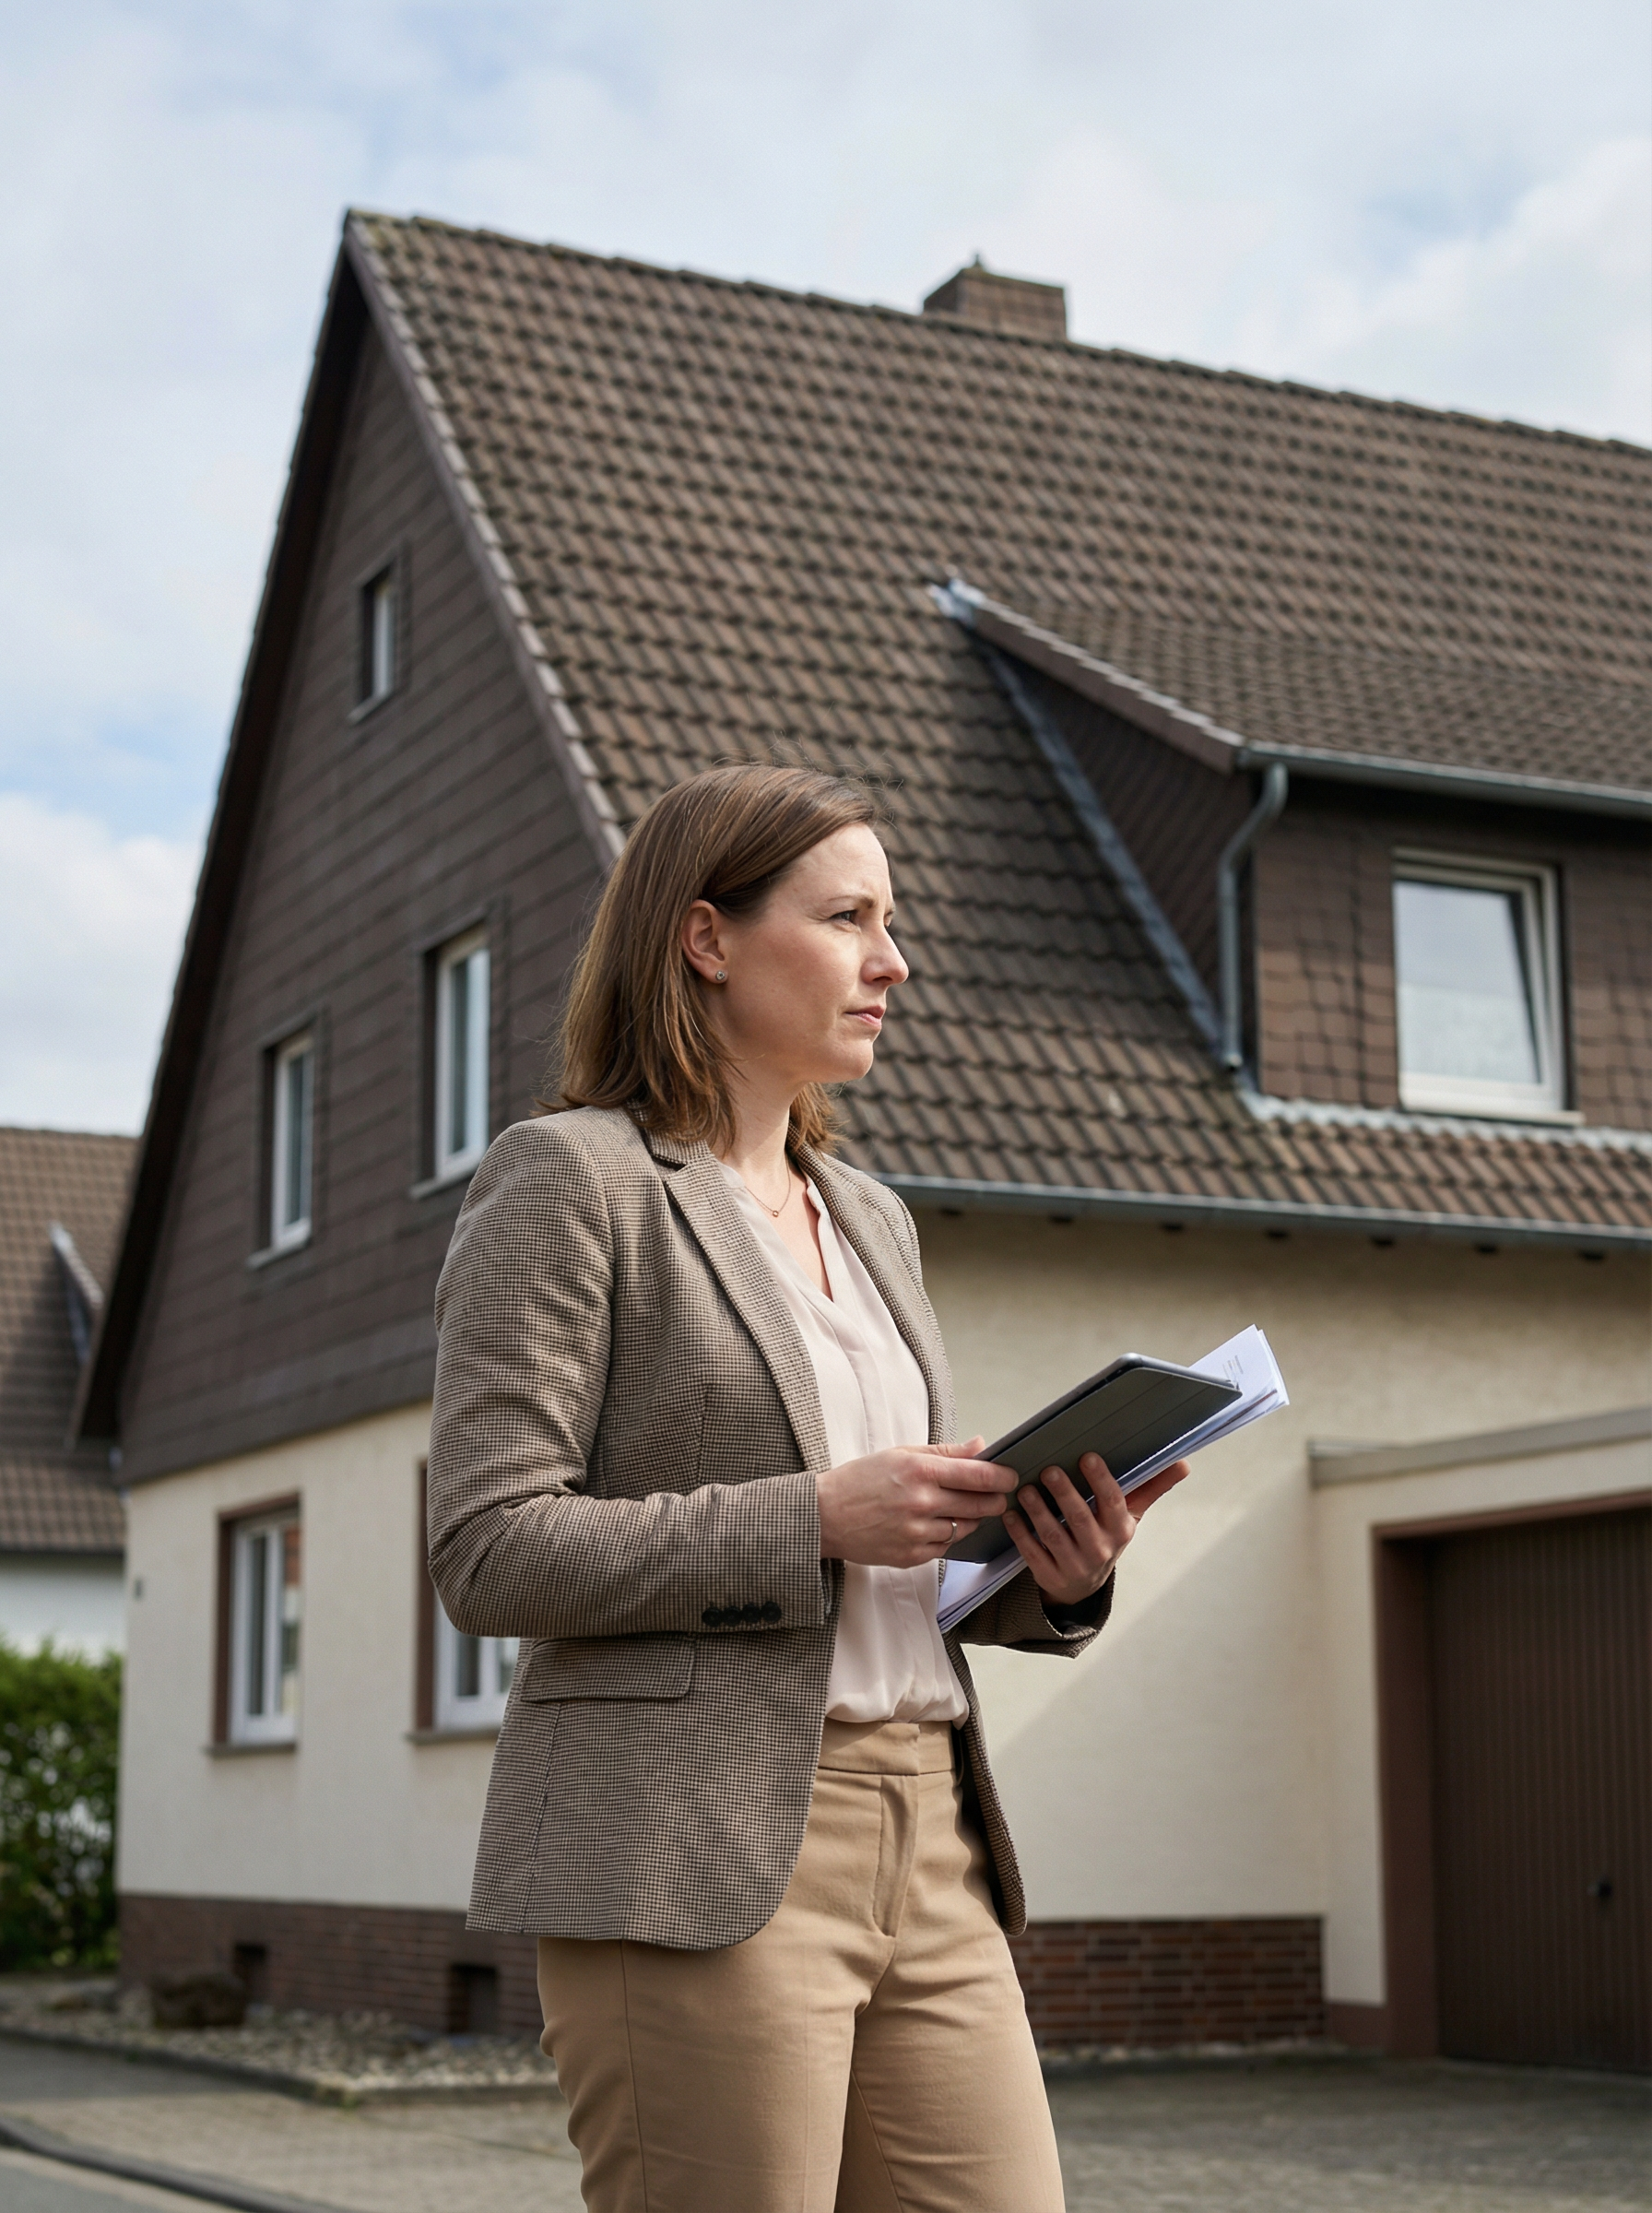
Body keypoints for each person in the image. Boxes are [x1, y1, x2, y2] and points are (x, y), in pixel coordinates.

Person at [427, 763, 1188, 2213]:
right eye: (848, 918)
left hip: (935, 1832)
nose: (891, 960)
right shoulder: (571, 1181)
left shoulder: (876, 1218)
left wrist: (1053, 1570)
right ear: (706, 939)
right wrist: (811, 1518)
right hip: (690, 1850)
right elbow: (487, 1547)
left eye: (889, 922)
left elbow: (905, 1577)